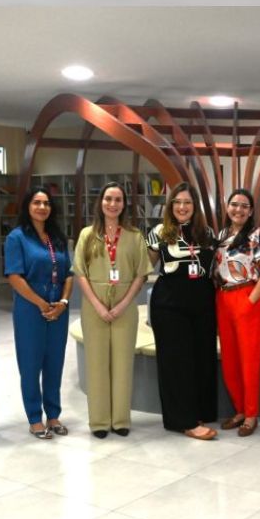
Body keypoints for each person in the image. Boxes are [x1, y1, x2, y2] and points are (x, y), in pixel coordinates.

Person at [74, 182, 151, 439]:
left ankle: (120, 420)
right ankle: (99, 422)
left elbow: (141, 274)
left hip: (125, 305)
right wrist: (97, 304)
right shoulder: (87, 235)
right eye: (108, 198)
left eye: (118, 199)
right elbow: (80, 273)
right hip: (93, 304)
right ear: (101, 202)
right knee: (96, 363)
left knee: (122, 363)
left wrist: (123, 303)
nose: (113, 204)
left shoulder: (134, 235)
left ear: (124, 204)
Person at [147, 182, 219, 441]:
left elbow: (215, 268)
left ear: (195, 206)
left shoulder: (207, 232)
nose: (182, 207)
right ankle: (184, 421)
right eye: (177, 202)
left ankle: (198, 412)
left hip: (202, 302)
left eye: (187, 202)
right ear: (170, 205)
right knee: (177, 363)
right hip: (169, 305)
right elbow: (147, 265)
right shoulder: (158, 232)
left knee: (201, 359)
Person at [4, 187, 73, 440]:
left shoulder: (57, 238)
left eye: (46, 203)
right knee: (31, 364)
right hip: (30, 307)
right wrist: (42, 304)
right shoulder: (17, 237)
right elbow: (14, 276)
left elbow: (69, 274)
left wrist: (63, 302)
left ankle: (53, 414)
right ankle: (34, 417)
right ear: (28, 206)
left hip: (59, 306)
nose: (42, 207)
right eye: (36, 202)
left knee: (55, 362)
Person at [213, 188, 260, 437]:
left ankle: (250, 414)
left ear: (250, 211)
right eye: (234, 204)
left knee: (249, 360)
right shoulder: (222, 234)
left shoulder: (257, 235)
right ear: (228, 207)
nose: (238, 209)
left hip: (247, 296)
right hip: (223, 298)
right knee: (230, 360)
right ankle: (238, 409)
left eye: (244, 206)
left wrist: (250, 302)